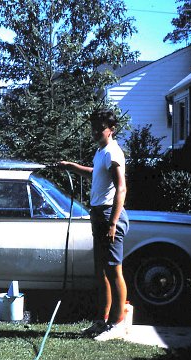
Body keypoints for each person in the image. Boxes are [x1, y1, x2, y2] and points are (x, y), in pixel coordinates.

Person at [59, 108, 130, 339]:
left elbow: (121, 187)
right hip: (98, 215)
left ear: (111, 130)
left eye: (100, 129)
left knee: (114, 270)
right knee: (101, 272)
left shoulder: (112, 152)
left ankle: (117, 324)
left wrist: (113, 223)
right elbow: (95, 174)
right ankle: (101, 321)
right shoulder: (101, 152)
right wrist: (72, 167)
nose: (95, 133)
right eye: (93, 129)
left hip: (110, 215)